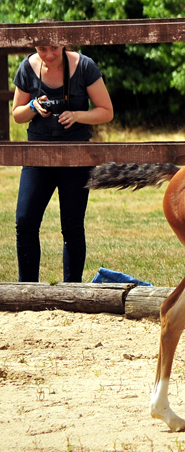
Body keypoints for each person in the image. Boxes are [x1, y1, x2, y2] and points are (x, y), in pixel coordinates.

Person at [12, 43, 114, 282]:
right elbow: (16, 114)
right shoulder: (27, 67)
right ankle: (27, 289)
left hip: (76, 155)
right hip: (38, 154)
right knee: (25, 221)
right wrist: (33, 107)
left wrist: (77, 115)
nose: (48, 54)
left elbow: (107, 111)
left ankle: (72, 290)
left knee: (72, 226)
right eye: (41, 48)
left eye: (54, 48)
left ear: (64, 44)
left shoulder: (85, 65)